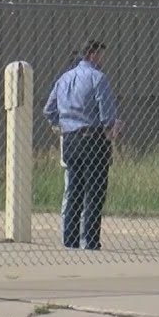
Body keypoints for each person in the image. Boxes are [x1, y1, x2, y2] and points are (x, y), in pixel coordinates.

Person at [43, 39, 121, 251]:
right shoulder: (98, 78)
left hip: (70, 139)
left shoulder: (64, 79)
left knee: (74, 190)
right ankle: (91, 240)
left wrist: (62, 125)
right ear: (92, 55)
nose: (102, 59)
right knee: (95, 190)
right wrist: (111, 127)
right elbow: (106, 114)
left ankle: (70, 239)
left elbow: (49, 110)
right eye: (100, 55)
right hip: (93, 138)